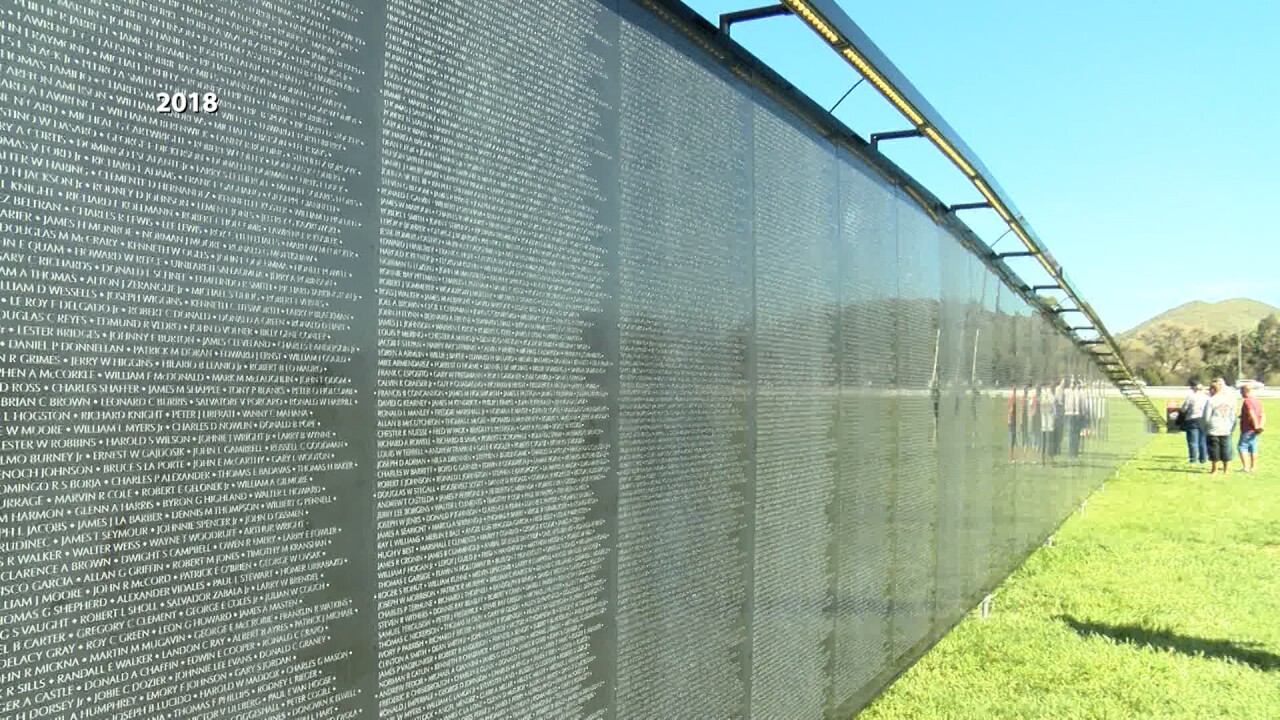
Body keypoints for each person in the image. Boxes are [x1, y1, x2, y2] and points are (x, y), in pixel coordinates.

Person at [1204, 378, 1237, 475]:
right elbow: (1233, 415)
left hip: (1214, 428)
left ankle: (1214, 470)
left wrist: (1207, 427)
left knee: (1214, 449)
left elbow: (1207, 417)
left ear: (1213, 389)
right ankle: (1226, 470)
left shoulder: (1211, 400)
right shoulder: (1229, 400)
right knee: (1226, 449)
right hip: (1226, 428)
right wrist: (1230, 426)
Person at [1179, 381, 1210, 465]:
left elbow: (1183, 409)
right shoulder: (1207, 397)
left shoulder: (1191, 397)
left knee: (1193, 441)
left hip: (1192, 419)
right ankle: (1203, 459)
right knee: (1202, 441)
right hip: (1203, 420)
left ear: (1193, 388)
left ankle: (1193, 459)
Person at [1238, 382, 1265, 472]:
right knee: (1253, 447)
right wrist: (1260, 426)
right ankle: (1253, 467)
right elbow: (1262, 414)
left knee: (1242, 447)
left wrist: (1256, 426)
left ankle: (1245, 467)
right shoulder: (1256, 401)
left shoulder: (1247, 401)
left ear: (1245, 391)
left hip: (1248, 428)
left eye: (1241, 392)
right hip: (1255, 429)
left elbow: (1252, 413)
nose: (1240, 394)